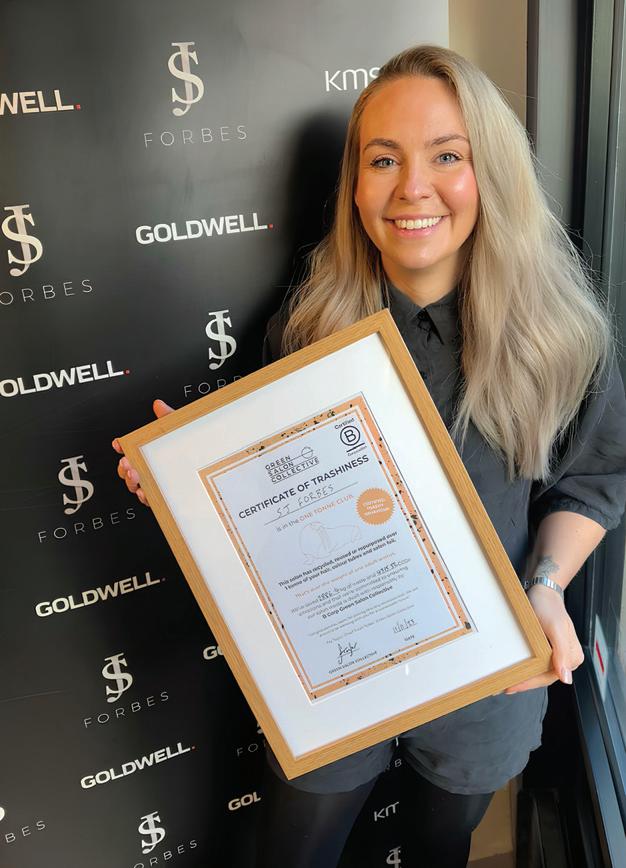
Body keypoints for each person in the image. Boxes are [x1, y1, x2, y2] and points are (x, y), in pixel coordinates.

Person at [113, 45, 626, 868]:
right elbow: (266, 496)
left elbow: (591, 483)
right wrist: (181, 481)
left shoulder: (561, 339)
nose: (412, 187)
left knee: (437, 851)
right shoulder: (307, 330)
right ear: (355, 185)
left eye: (447, 156)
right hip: (332, 670)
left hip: (484, 679)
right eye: (383, 160)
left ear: (490, 173)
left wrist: (547, 585)